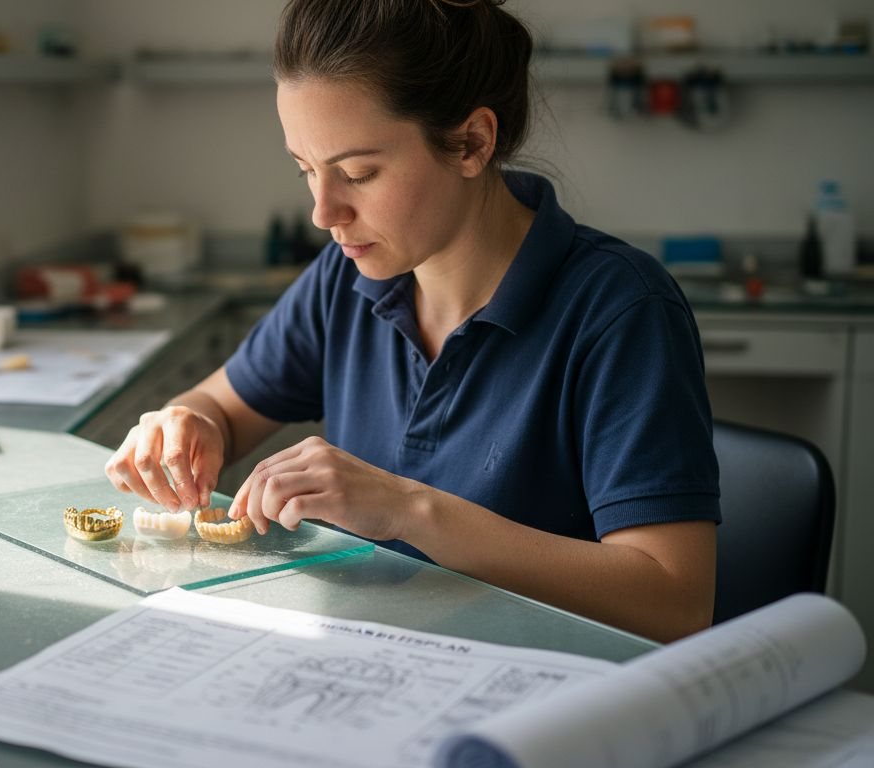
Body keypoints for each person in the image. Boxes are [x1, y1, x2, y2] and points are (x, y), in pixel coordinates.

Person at [105, 0, 720, 643]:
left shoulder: (621, 309)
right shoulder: (346, 276)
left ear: (472, 143)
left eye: (358, 173)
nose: (323, 213)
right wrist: (187, 423)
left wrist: (408, 510)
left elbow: (675, 603)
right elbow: (221, 410)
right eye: (307, 170)